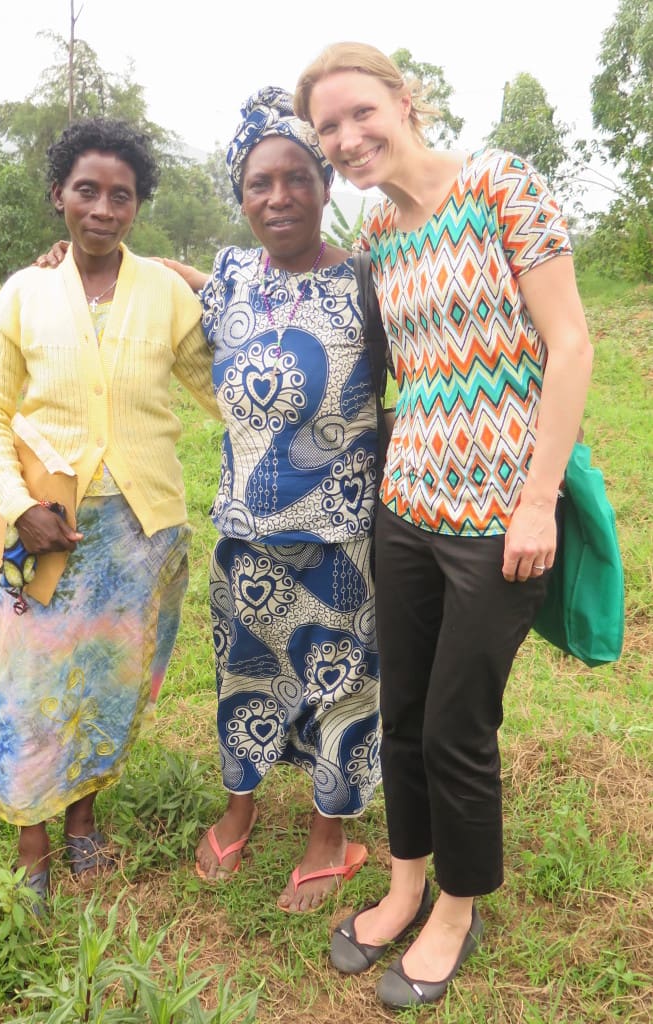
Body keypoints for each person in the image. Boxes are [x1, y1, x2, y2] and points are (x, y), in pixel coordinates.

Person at [294, 43, 593, 1005]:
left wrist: (537, 498)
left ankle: (456, 909)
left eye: (358, 114)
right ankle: (405, 882)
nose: (345, 139)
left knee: (460, 721)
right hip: (407, 508)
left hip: (499, 516)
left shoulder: (502, 184)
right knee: (406, 714)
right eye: (326, 128)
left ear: (404, 101)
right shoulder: (381, 236)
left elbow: (570, 343)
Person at [0, 118, 219, 910]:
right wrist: (17, 505)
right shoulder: (24, 291)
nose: (103, 208)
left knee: (110, 683)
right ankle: (32, 846)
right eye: (87, 191)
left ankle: (83, 825)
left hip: (143, 532)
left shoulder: (165, 293)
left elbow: (224, 386)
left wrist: (210, 282)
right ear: (59, 197)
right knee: (29, 688)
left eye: (122, 195)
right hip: (46, 528)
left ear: (138, 205)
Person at [171, 87, 384, 912]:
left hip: (339, 539)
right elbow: (160, 275)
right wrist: (66, 257)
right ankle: (240, 806)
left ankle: (331, 833)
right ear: (242, 197)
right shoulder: (229, 279)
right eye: (259, 184)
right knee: (244, 676)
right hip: (244, 536)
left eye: (296, 178)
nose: (278, 197)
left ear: (326, 185)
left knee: (339, 683)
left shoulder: (367, 282)